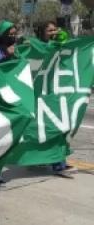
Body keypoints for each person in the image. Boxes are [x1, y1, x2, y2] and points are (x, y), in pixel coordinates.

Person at [37, 21, 75, 178]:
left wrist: (63, 39)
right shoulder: (36, 47)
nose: (53, 33)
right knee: (42, 129)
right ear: (42, 32)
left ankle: (59, 163)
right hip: (40, 94)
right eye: (49, 30)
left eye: (55, 30)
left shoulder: (59, 45)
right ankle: (54, 163)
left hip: (56, 92)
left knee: (60, 127)